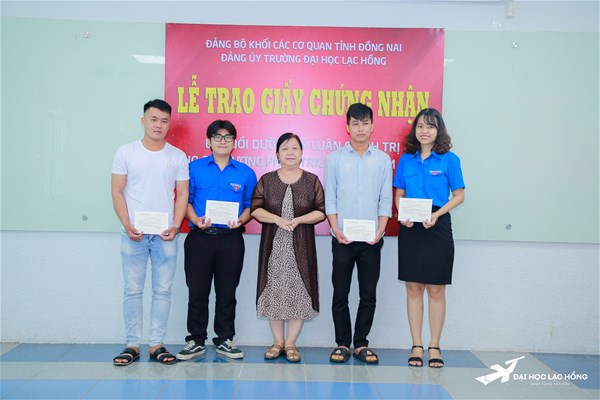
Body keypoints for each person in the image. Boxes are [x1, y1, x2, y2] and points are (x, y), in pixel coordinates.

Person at [111, 99, 189, 366]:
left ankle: (156, 344)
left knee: (163, 291)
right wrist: (126, 224)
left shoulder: (177, 156)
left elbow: (183, 195)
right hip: (133, 234)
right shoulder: (126, 152)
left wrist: (175, 225)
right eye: (154, 119)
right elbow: (117, 191)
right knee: (132, 290)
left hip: (165, 235)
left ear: (169, 124)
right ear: (143, 121)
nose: (159, 125)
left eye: (164, 121)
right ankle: (132, 345)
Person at [176, 120, 257, 361]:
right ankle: (195, 339)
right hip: (199, 238)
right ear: (209, 141)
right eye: (218, 137)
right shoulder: (194, 168)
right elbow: (185, 200)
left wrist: (241, 220)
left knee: (227, 292)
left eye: (228, 137)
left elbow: (250, 206)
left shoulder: (245, 172)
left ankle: (224, 339)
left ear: (234, 142)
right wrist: (195, 219)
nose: (223, 141)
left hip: (231, 240)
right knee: (197, 291)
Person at [393, 108, 465, 368]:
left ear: (439, 130)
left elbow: (459, 195)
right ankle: (416, 345)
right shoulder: (406, 160)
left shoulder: (450, 160)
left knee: (436, 289)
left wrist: (437, 214)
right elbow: (399, 193)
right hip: (411, 226)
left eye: (430, 126)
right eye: (420, 126)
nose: (425, 131)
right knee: (413, 287)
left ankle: (434, 346)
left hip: (437, 224)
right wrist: (402, 214)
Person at [324, 103, 393, 364]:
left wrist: (381, 229)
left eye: (365, 123)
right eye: (355, 123)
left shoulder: (383, 160)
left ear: (372, 126)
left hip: (372, 240)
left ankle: (362, 343)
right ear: (347, 127)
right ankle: (342, 343)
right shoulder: (334, 159)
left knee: (368, 295)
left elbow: (385, 200)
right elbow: (330, 199)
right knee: (340, 293)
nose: (360, 128)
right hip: (342, 239)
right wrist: (335, 229)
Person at [251, 132, 326, 363]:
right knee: (274, 291)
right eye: (285, 148)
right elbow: (255, 209)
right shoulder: (267, 180)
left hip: (301, 247)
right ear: (277, 154)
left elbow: (321, 211)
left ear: (302, 153)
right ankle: (277, 343)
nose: (290, 152)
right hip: (274, 248)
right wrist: (278, 220)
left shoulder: (312, 180)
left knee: (299, 293)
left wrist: (300, 220)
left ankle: (291, 343)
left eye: (294, 148)